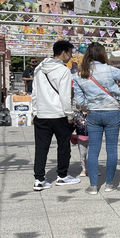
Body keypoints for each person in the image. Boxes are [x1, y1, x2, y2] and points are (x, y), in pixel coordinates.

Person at [72, 42, 120, 195]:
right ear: (103, 54)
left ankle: (93, 186)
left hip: (93, 113)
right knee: (111, 149)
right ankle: (109, 184)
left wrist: (88, 103)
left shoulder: (79, 73)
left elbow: (79, 102)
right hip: (112, 112)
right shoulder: (110, 70)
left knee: (94, 150)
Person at [30, 40, 80, 191]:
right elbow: (65, 96)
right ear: (64, 52)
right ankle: (62, 176)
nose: (70, 57)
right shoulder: (64, 71)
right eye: (70, 53)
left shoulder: (39, 68)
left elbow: (34, 93)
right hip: (59, 115)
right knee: (63, 146)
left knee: (41, 147)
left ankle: (39, 179)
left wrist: (35, 111)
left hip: (42, 114)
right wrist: (70, 115)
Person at [72, 108, 89, 177]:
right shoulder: (76, 114)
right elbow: (73, 124)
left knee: (92, 154)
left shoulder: (93, 112)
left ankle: (92, 168)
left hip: (92, 136)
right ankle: (84, 168)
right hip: (80, 137)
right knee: (82, 154)